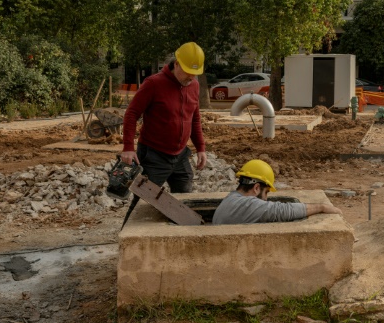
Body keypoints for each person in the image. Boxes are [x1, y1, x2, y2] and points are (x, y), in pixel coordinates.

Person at [119, 42, 208, 223]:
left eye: (194, 73)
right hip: (154, 155)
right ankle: (129, 243)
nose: (191, 77)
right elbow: (131, 114)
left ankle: (182, 239)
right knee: (142, 202)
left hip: (180, 155)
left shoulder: (194, 86)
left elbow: (195, 118)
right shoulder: (154, 83)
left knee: (184, 200)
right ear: (176, 64)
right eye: (187, 72)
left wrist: (201, 147)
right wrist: (128, 147)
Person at [212, 159, 342, 225]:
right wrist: (321, 207)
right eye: (266, 192)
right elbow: (281, 210)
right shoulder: (247, 205)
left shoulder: (232, 198)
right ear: (256, 188)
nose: (267, 198)